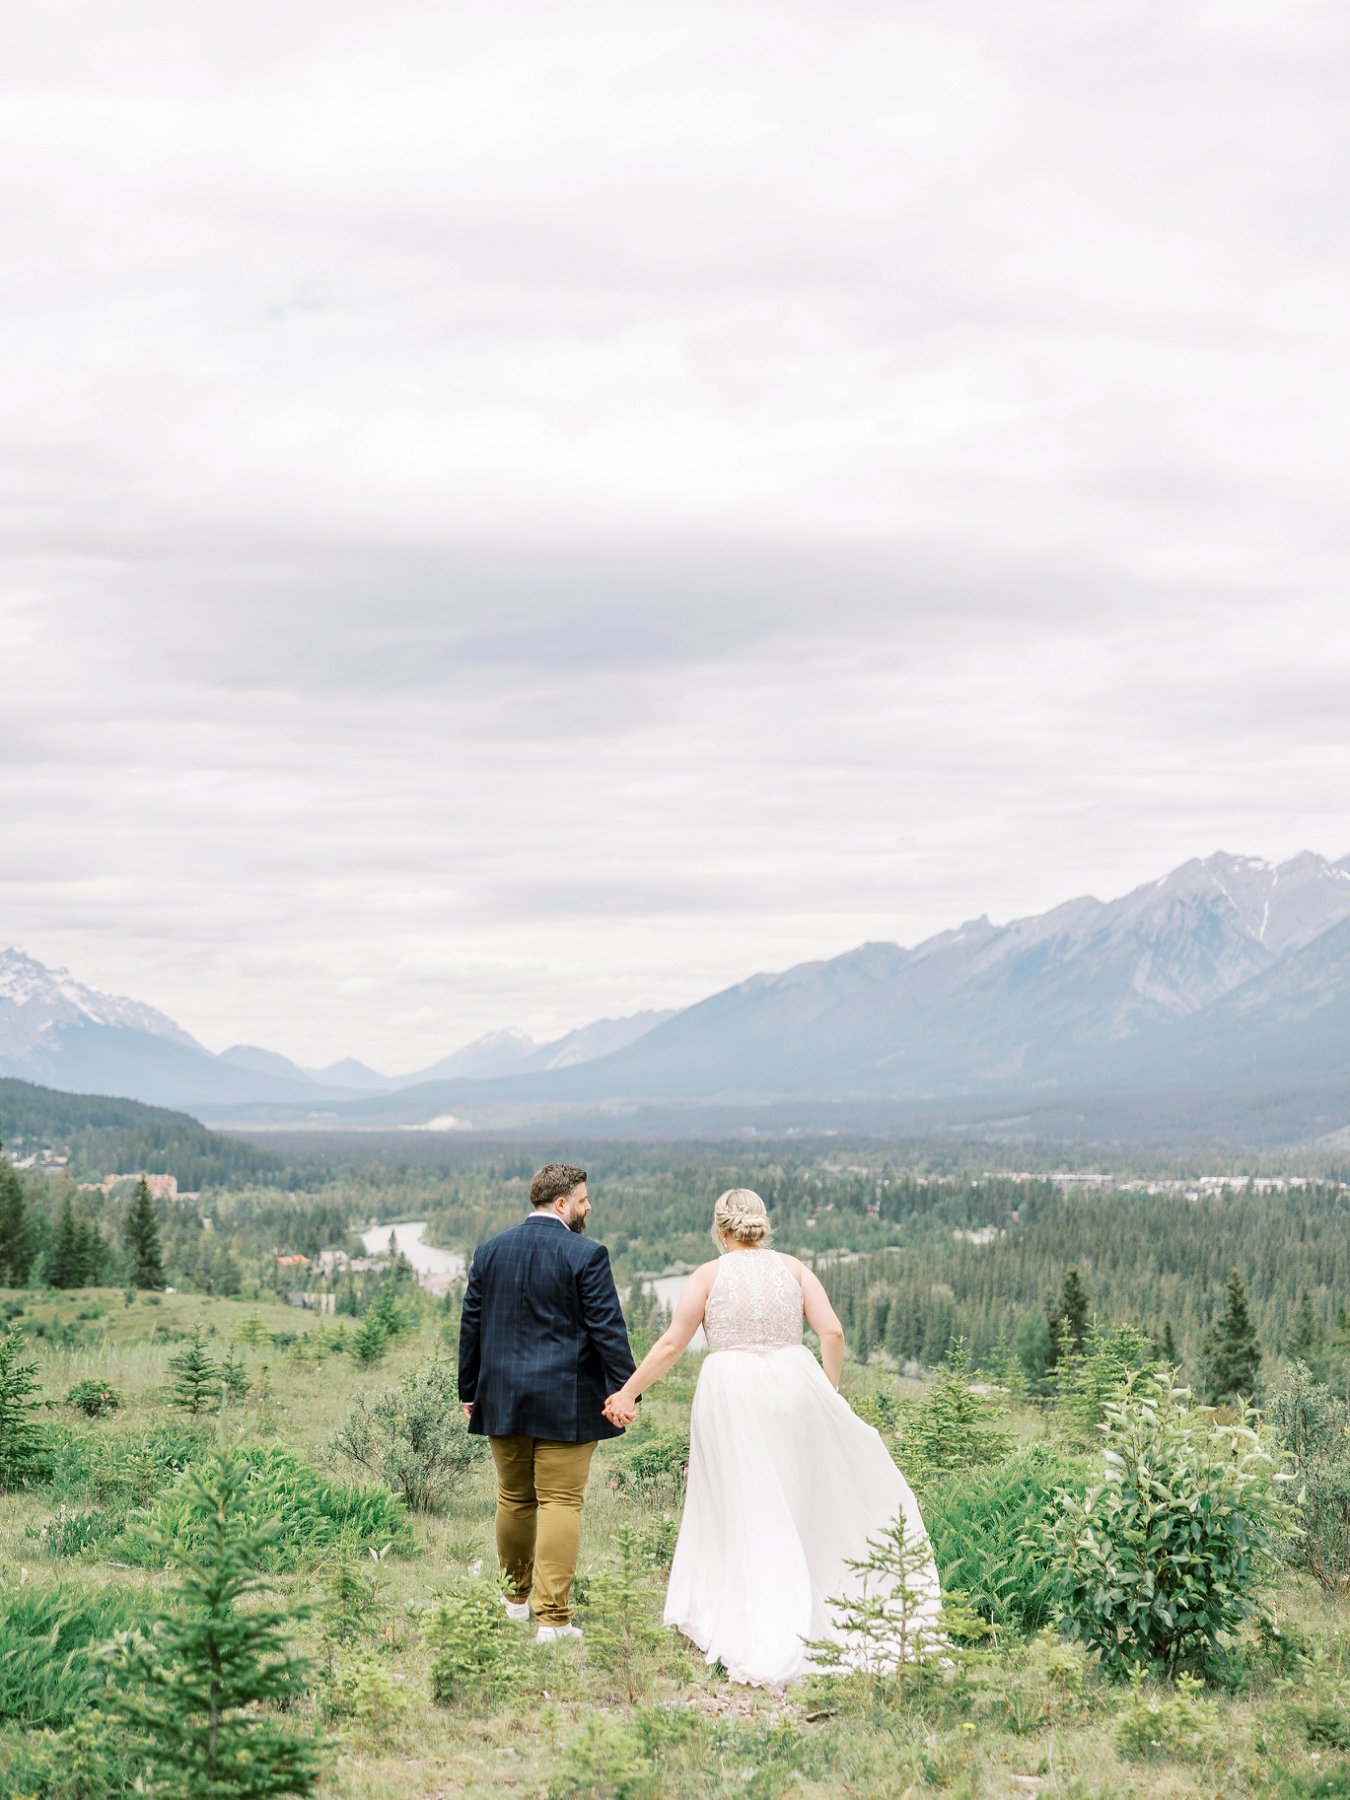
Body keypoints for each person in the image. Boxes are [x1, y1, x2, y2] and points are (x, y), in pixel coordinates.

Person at [603, 1188, 940, 1688]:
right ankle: (815, 1600)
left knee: (741, 1500)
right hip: (794, 1383)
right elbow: (833, 1333)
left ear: (720, 1231)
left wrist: (627, 1393)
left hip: (732, 1391)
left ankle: (750, 1610)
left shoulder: (707, 1276)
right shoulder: (794, 1269)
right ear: (760, 1226)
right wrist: (826, 1391)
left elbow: (674, 1342)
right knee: (796, 1496)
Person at [458, 1161, 637, 1644]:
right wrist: (627, 1389)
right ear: (561, 1203)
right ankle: (553, 1621)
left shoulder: (490, 1250)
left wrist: (469, 1392)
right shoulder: (587, 1254)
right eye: (583, 1199)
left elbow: (471, 1326)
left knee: (514, 1499)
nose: (588, 1206)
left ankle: (515, 1602)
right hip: (566, 1403)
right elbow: (607, 1330)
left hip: (502, 1400)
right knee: (560, 1501)